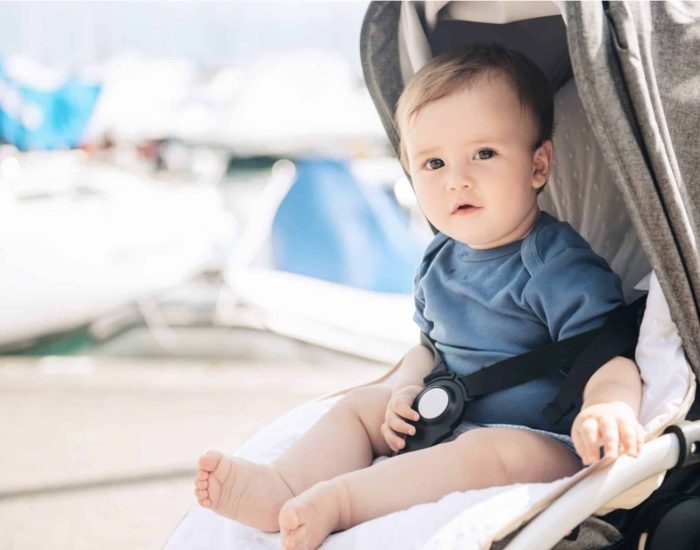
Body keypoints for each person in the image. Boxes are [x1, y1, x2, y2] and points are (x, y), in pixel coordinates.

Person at [193, 44, 646, 550]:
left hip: (541, 442)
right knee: (360, 408)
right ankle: (281, 484)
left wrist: (608, 409)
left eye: (484, 154)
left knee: (487, 450)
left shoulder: (555, 263)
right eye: (433, 163)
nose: (457, 179)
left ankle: (341, 501)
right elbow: (428, 348)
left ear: (538, 165)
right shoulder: (439, 260)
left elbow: (609, 353)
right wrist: (405, 389)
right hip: (445, 418)